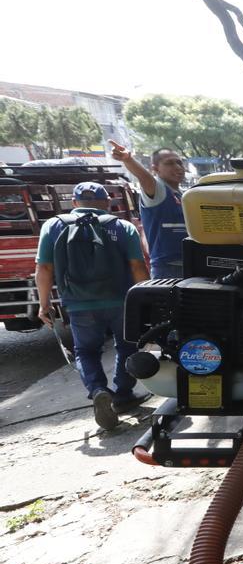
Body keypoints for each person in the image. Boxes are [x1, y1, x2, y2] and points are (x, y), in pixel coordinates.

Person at [35, 182, 149, 429]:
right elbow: (138, 267)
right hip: (122, 301)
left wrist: (44, 304)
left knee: (85, 351)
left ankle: (98, 390)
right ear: (107, 203)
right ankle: (124, 395)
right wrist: (148, 299)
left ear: (74, 203)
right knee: (128, 346)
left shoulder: (53, 225)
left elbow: (44, 268)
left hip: (78, 303)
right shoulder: (123, 226)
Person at [108, 140, 188, 279]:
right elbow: (144, 177)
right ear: (155, 169)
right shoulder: (158, 190)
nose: (178, 167)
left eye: (179, 162)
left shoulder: (182, 195)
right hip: (168, 268)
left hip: (188, 264)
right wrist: (129, 160)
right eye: (169, 163)